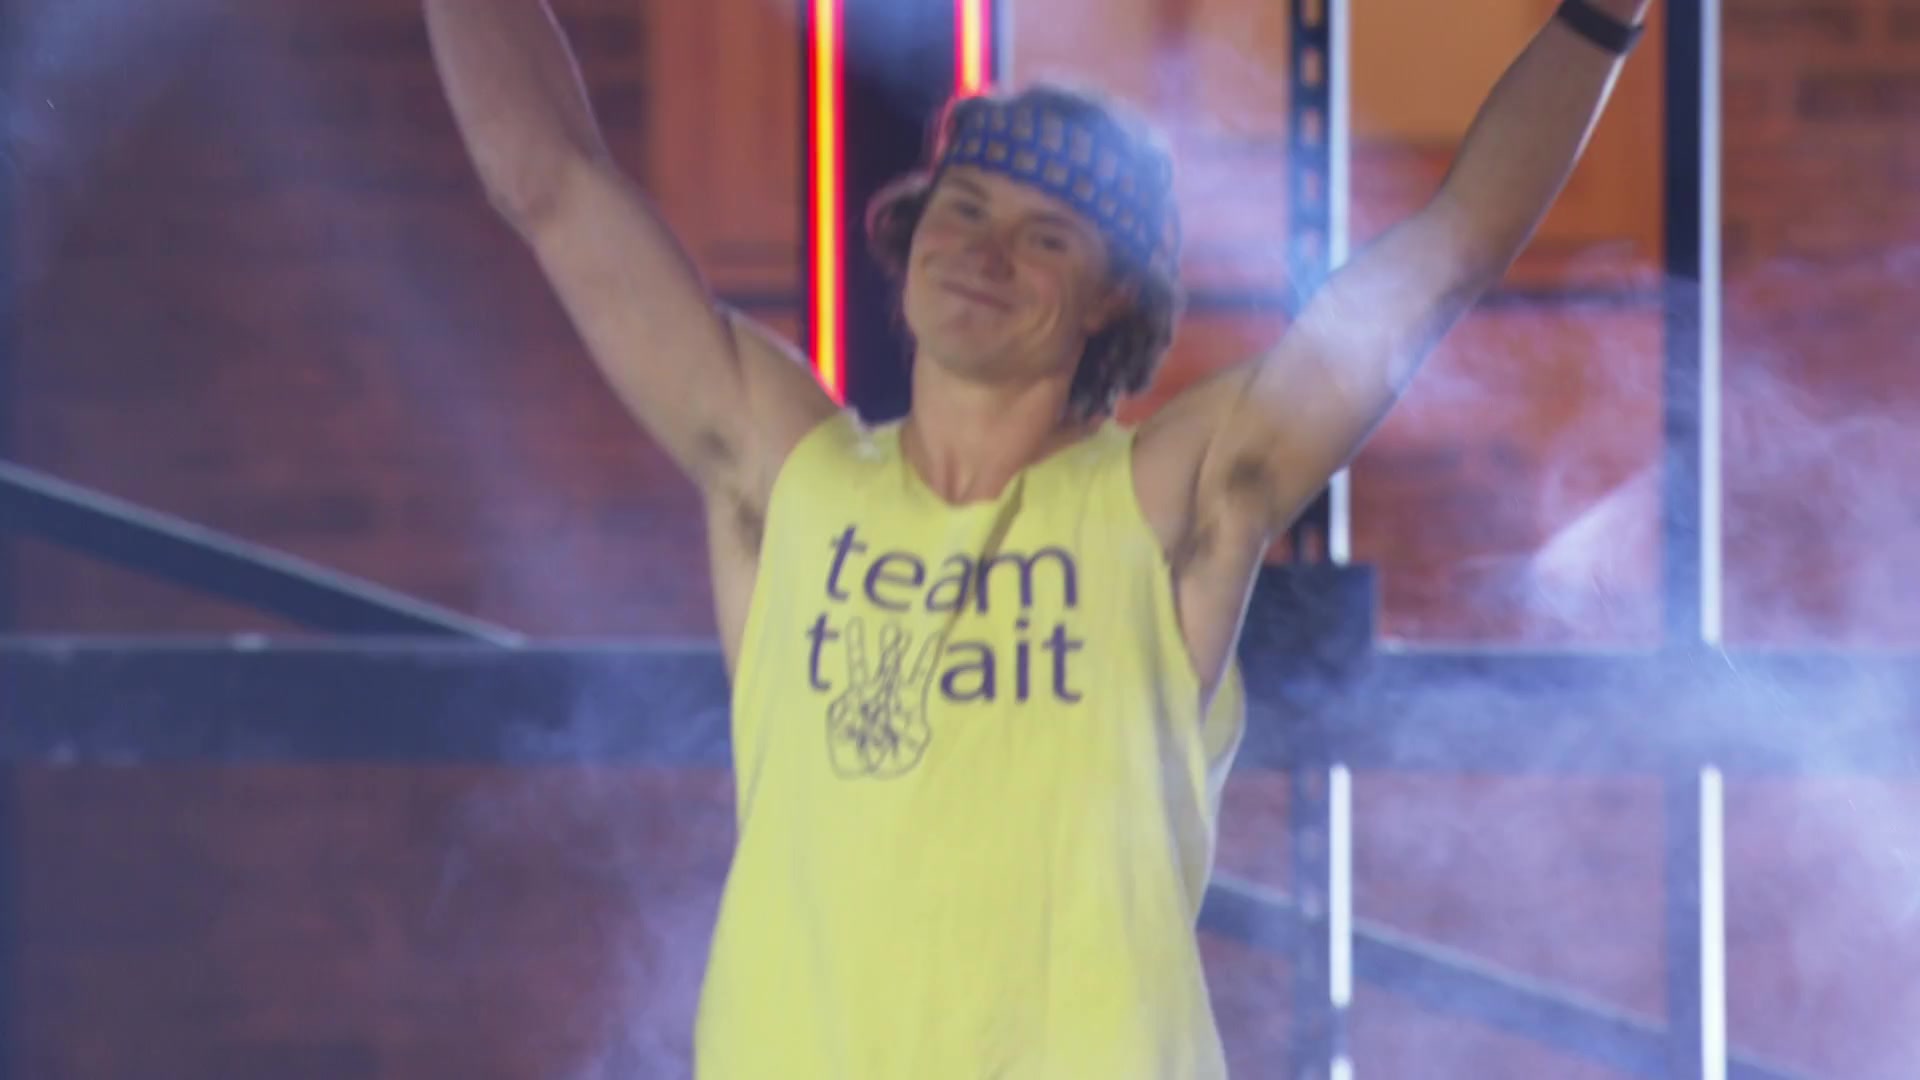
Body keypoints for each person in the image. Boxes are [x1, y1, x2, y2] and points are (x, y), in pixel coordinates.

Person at [425, 0, 1651, 1075]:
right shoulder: (784, 472)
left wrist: (1604, 19)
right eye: (963, 209)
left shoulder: (1168, 501)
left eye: (1045, 237)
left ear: (1113, 297)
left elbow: (1445, 256)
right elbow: (548, 181)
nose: (984, 251)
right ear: (911, 234)